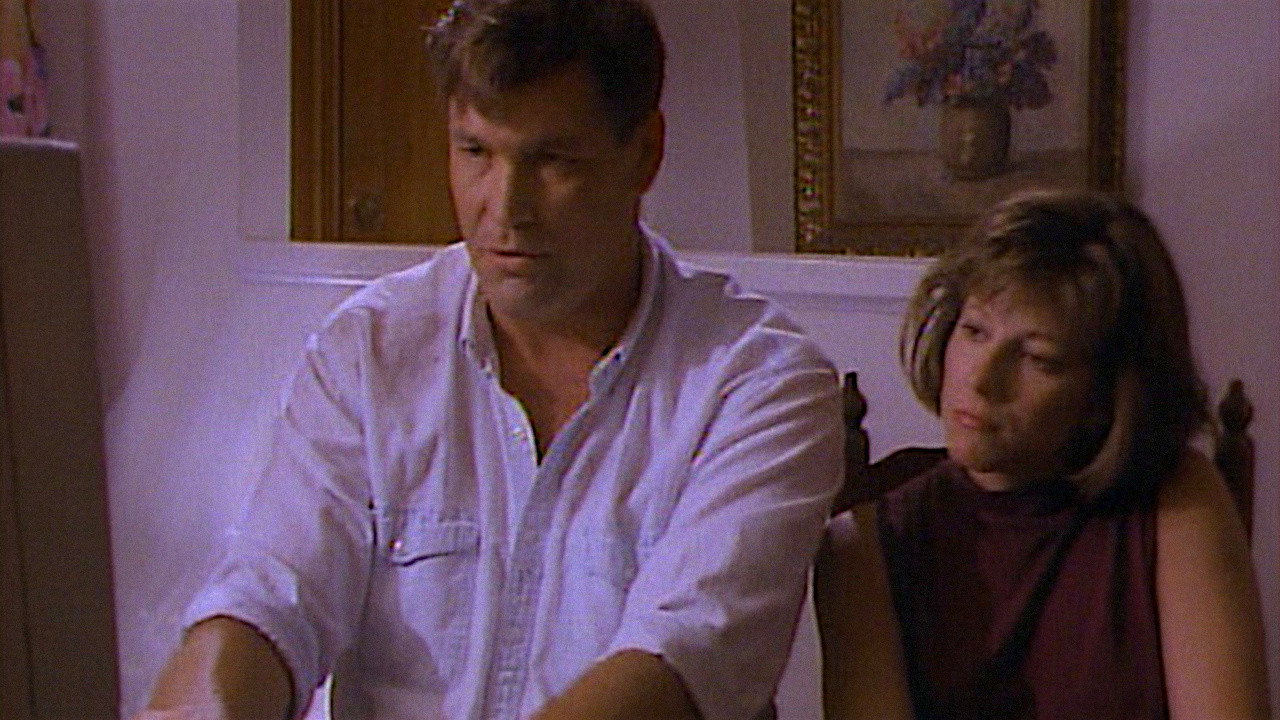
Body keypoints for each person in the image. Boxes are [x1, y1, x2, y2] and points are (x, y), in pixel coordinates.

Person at [136, 2, 843, 719]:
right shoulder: (371, 353)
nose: (505, 208)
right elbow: (267, 599)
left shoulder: (757, 385)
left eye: (553, 160)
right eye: (476, 152)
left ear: (644, 154)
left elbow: (676, 662)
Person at [816, 189, 1271, 720]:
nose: (981, 379)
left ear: (1106, 395)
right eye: (974, 331)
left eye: (1038, 358)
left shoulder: (1176, 500)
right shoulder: (865, 541)